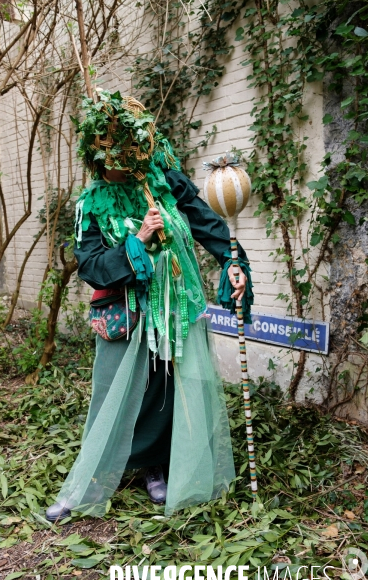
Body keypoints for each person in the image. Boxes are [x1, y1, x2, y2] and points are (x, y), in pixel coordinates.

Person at [45, 92, 253, 521]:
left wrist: (234, 263)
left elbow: (212, 229)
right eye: (110, 156)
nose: (120, 165)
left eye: (128, 154)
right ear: (97, 158)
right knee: (114, 393)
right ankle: (95, 474)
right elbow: (92, 267)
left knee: (163, 389)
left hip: (174, 311)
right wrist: (136, 243)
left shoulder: (166, 183)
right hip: (126, 314)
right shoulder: (90, 205)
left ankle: (153, 466)